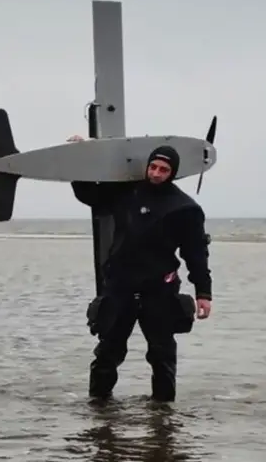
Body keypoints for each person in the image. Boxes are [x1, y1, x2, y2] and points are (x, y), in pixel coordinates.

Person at [67, 134, 213, 403]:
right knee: (107, 354)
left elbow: (195, 253)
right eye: (153, 167)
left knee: (162, 356)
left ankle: (164, 417)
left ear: (173, 173)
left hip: (159, 290)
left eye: (164, 170)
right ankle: (99, 414)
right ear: (147, 166)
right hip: (120, 287)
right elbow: (88, 194)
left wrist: (204, 293)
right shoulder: (127, 192)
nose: (156, 173)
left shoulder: (185, 208)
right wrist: (83, 153)